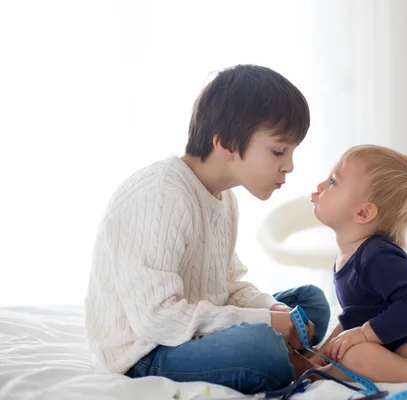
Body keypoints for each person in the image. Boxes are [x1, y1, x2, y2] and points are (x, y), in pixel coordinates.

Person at [84, 64, 330, 394]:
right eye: (278, 151)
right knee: (263, 346)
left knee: (310, 303)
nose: (289, 166)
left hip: (194, 326)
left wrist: (275, 311)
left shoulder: (224, 198)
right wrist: (268, 324)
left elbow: (227, 286)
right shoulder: (162, 195)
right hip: (148, 350)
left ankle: (286, 349)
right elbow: (156, 320)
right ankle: (285, 355)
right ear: (227, 143)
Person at [306, 144, 407, 384]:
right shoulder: (348, 254)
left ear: (363, 213)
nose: (321, 186)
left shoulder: (378, 255)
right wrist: (321, 353)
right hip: (389, 355)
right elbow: (353, 318)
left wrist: (364, 334)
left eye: (333, 182)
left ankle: (314, 377)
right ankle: (314, 369)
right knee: (345, 349)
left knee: (356, 354)